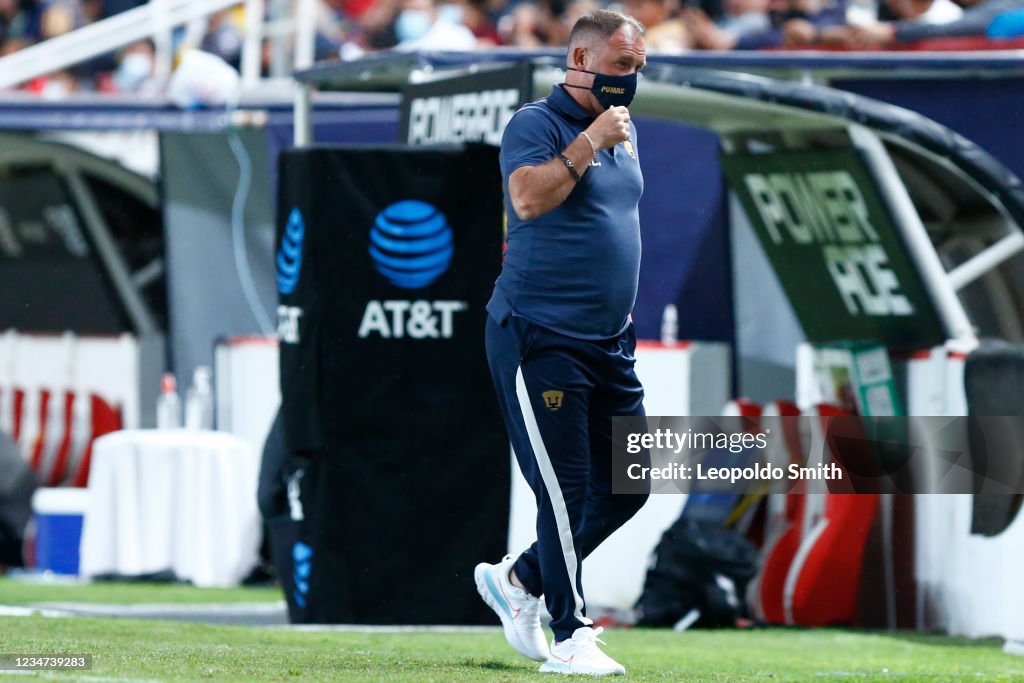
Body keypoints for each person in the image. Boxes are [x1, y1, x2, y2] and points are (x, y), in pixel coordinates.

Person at [474, 9, 650, 677]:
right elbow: (526, 199)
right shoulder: (535, 124)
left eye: (638, 68)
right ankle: (574, 634)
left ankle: (518, 578)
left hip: (609, 340)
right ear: (581, 60)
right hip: (540, 333)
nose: (630, 81)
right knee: (566, 490)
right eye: (620, 67)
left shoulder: (628, 133)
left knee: (629, 486)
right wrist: (588, 142)